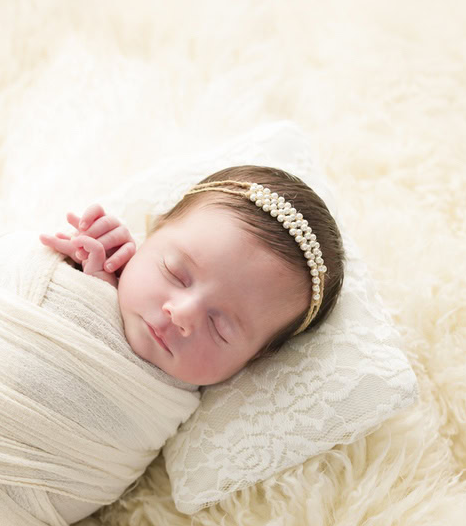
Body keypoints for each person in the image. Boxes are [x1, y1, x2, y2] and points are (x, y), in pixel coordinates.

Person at [39, 165, 346, 387]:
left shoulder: (168, 405)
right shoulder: (96, 265)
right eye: (175, 273)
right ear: (152, 232)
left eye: (219, 327)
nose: (181, 313)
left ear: (256, 357)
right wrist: (87, 278)